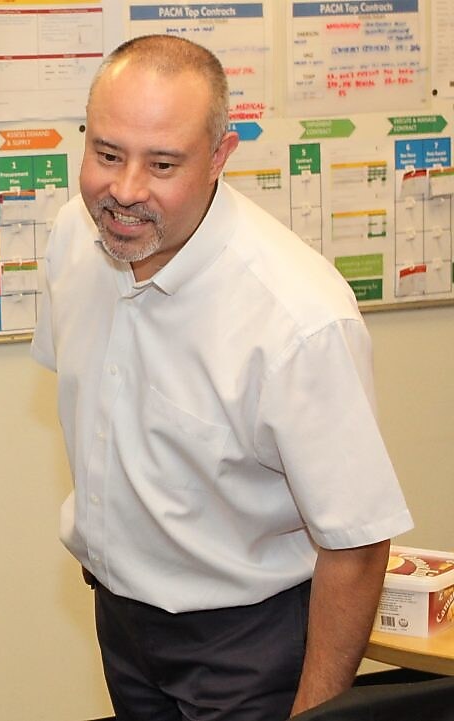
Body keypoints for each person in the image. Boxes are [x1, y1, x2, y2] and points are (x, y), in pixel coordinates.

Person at [30, 35, 413, 720]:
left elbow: (356, 543)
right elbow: (107, 416)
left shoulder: (296, 316)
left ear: (220, 157)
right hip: (121, 618)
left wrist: (315, 712)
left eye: (163, 163)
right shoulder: (73, 239)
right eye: (107, 154)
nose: (124, 190)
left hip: (247, 644)